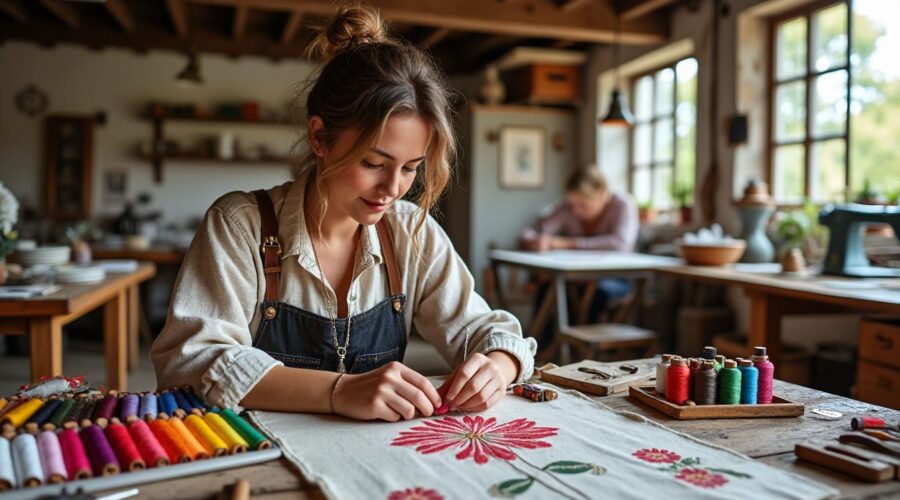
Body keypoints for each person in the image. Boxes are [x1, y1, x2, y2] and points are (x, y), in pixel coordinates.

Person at [151, 6, 536, 422]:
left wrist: (499, 365)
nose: (393, 189)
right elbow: (192, 362)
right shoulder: (240, 224)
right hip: (258, 454)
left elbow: (485, 330)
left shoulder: (410, 233)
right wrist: (340, 390)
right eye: (373, 163)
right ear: (319, 136)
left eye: (410, 168)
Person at [518, 166, 639, 350]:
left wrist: (564, 243)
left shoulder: (623, 204)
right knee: (548, 289)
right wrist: (534, 240)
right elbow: (530, 232)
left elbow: (621, 244)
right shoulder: (568, 208)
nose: (575, 211)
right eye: (572, 205)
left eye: (583, 205)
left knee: (594, 295)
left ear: (601, 194)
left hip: (614, 278)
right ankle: (538, 353)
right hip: (577, 278)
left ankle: (580, 354)